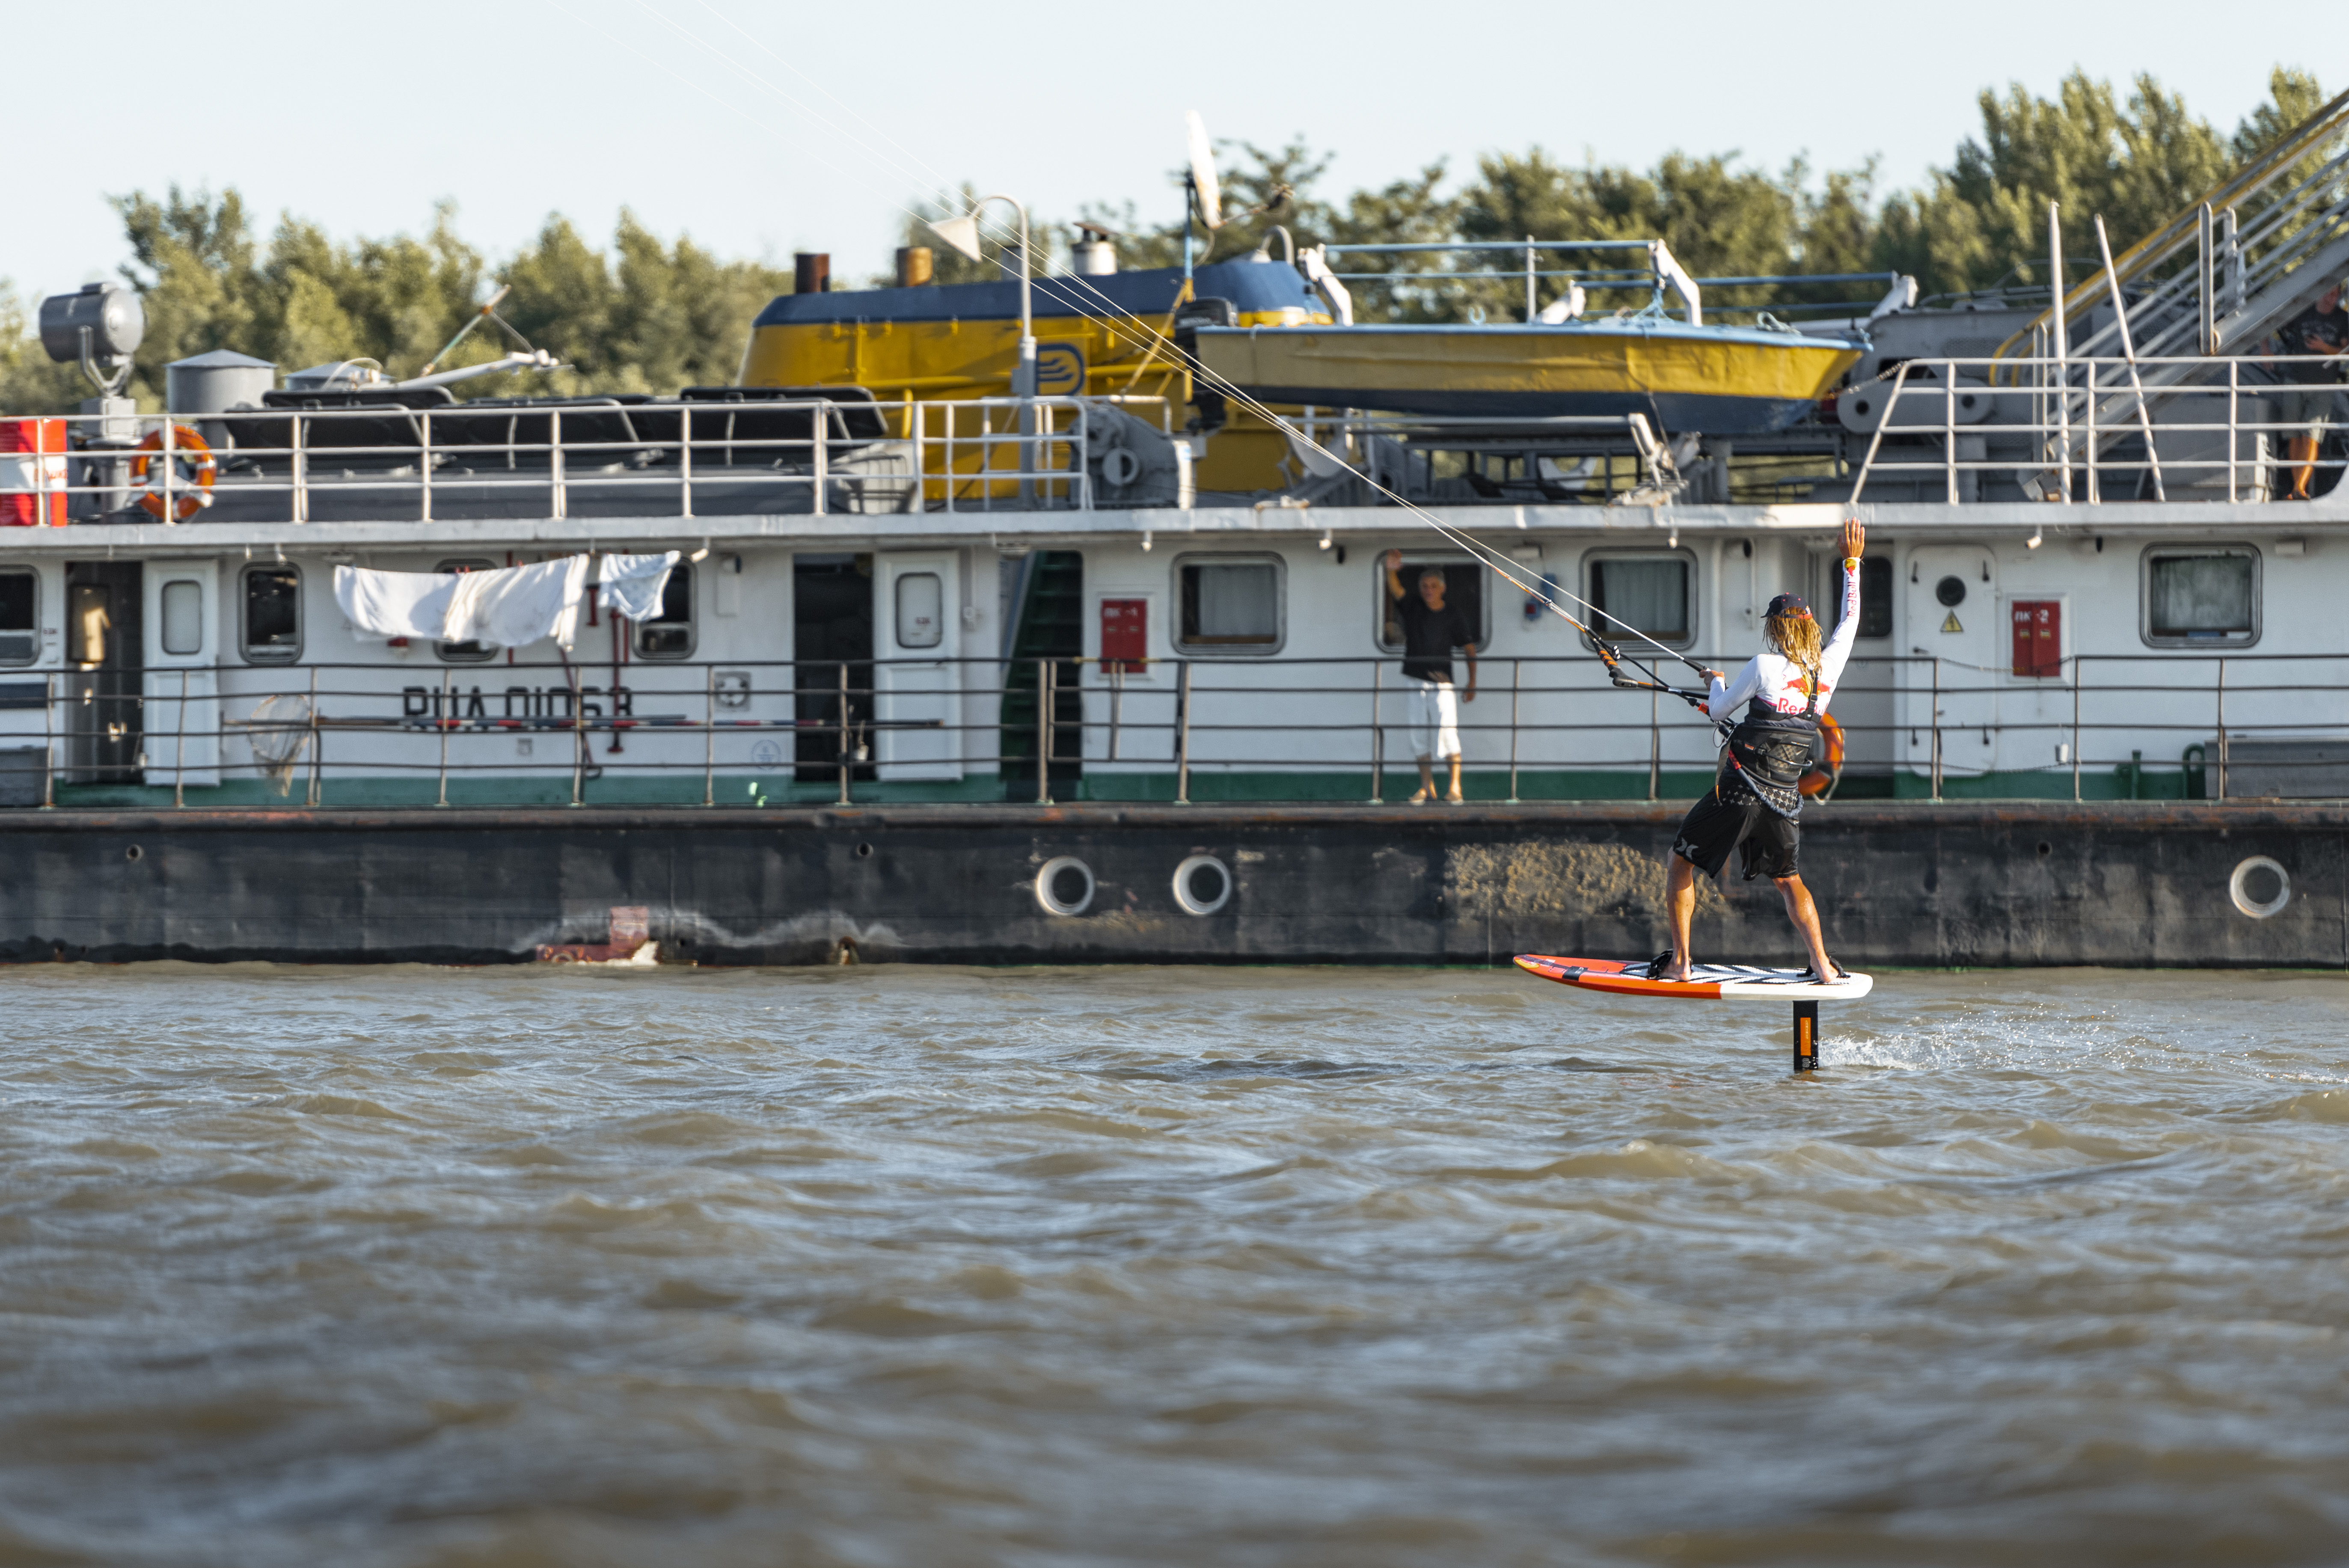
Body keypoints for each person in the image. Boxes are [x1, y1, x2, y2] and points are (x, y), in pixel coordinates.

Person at [1656, 517, 1866, 984]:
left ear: (1774, 630)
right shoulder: (1824, 673)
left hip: (1738, 791)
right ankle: (1822, 965)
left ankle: (1681, 963)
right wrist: (1850, 562)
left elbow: (1717, 711)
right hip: (1785, 800)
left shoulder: (1762, 665)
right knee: (1789, 880)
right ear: (1809, 629)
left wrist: (1714, 682)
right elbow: (1849, 620)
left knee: (1679, 862)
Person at [1383, 549, 1477, 803]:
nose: (1428, 590)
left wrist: (1471, 682)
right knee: (1418, 734)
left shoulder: (1453, 615)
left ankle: (1455, 788)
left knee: (1447, 732)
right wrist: (1391, 569)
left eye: (1433, 586)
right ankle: (1427, 788)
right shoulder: (1414, 607)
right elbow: (1396, 591)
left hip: (1442, 682)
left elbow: (1469, 648)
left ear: (1442, 589)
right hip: (1414, 679)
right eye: (1424, 586)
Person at [2270, 285, 2349, 499]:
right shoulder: (2302, 312)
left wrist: (2324, 348)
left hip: (2323, 385)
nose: (2330, 297)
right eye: (2327, 292)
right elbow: (2269, 319)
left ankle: (2300, 487)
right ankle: (2297, 487)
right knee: (2294, 436)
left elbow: (2345, 351)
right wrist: (2264, 347)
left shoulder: (2343, 319)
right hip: (2295, 381)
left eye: (2334, 294)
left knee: (2311, 436)